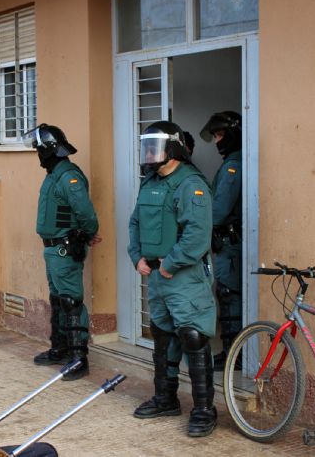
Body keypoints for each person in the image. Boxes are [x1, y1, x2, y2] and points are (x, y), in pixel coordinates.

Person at [128, 120, 217, 437]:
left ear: (174, 149)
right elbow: (136, 221)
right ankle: (165, 399)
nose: (150, 152)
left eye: (156, 146)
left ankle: (205, 409)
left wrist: (171, 264)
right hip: (155, 275)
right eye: (147, 145)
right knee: (162, 335)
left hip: (183, 276)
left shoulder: (191, 184)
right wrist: (136, 255)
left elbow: (197, 235)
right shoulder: (149, 182)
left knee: (193, 336)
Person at [23, 123, 101, 381]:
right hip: (52, 249)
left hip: (64, 248)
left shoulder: (69, 176)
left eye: (39, 149)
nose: (37, 154)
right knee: (58, 299)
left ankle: (80, 358)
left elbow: (85, 213)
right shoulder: (54, 173)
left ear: (50, 149)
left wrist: (87, 234)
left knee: (70, 300)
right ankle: (60, 348)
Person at [200, 111, 243, 371]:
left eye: (219, 134)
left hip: (230, 244)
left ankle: (233, 355)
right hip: (227, 242)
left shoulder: (233, 165)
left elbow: (219, 209)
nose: (216, 140)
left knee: (229, 295)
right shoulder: (233, 161)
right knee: (227, 294)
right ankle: (232, 352)